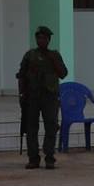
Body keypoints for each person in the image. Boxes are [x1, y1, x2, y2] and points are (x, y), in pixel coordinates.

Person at [16, 25, 67, 170]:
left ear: (49, 40)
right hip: (32, 97)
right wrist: (21, 94)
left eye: (44, 38)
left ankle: (49, 157)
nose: (41, 41)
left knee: (51, 127)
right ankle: (33, 158)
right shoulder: (30, 55)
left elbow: (63, 73)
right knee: (31, 128)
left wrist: (53, 60)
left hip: (50, 97)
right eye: (39, 38)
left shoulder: (54, 55)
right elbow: (21, 76)